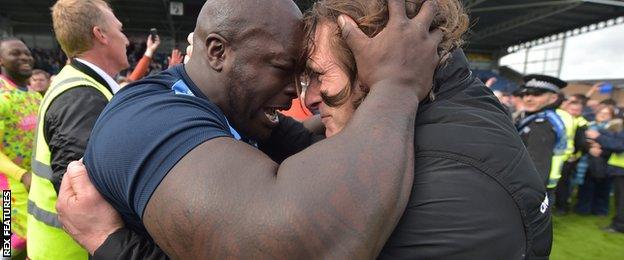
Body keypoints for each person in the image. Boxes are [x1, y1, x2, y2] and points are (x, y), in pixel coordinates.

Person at [58, 0, 551, 259]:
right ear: (216, 52)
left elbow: (315, 152)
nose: (299, 94)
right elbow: (275, 244)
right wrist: (395, 89)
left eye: (313, 75)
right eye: (284, 68)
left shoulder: (247, 114)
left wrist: (113, 244)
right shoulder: (145, 120)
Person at [26, 0, 129, 259]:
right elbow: (84, 200)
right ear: (101, 34)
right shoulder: (82, 98)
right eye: (120, 29)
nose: (126, 39)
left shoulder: (79, 84)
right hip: (72, 253)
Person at [0, 37, 40, 258]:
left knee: (32, 234)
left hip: (32, 180)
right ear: (1, 61)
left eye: (26, 53)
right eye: (15, 54)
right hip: (6, 186)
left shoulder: (34, 96)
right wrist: (22, 174)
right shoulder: (1, 95)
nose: (24, 57)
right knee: (18, 235)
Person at [515, 74, 569, 207]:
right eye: (525, 94)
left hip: (533, 188)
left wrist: (530, 197)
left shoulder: (542, 124)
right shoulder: (541, 118)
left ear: (553, 97)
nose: (528, 98)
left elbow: (537, 165)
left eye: (536, 94)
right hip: (541, 185)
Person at [575, 106, 616, 216]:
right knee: (586, 187)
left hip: (605, 162)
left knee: (603, 189)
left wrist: (601, 149)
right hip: (587, 161)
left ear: (611, 116)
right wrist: (590, 148)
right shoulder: (588, 125)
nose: (603, 115)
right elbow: (579, 141)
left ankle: (600, 211)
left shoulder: (614, 128)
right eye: (601, 112)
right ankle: (583, 209)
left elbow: (616, 145)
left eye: (606, 113)